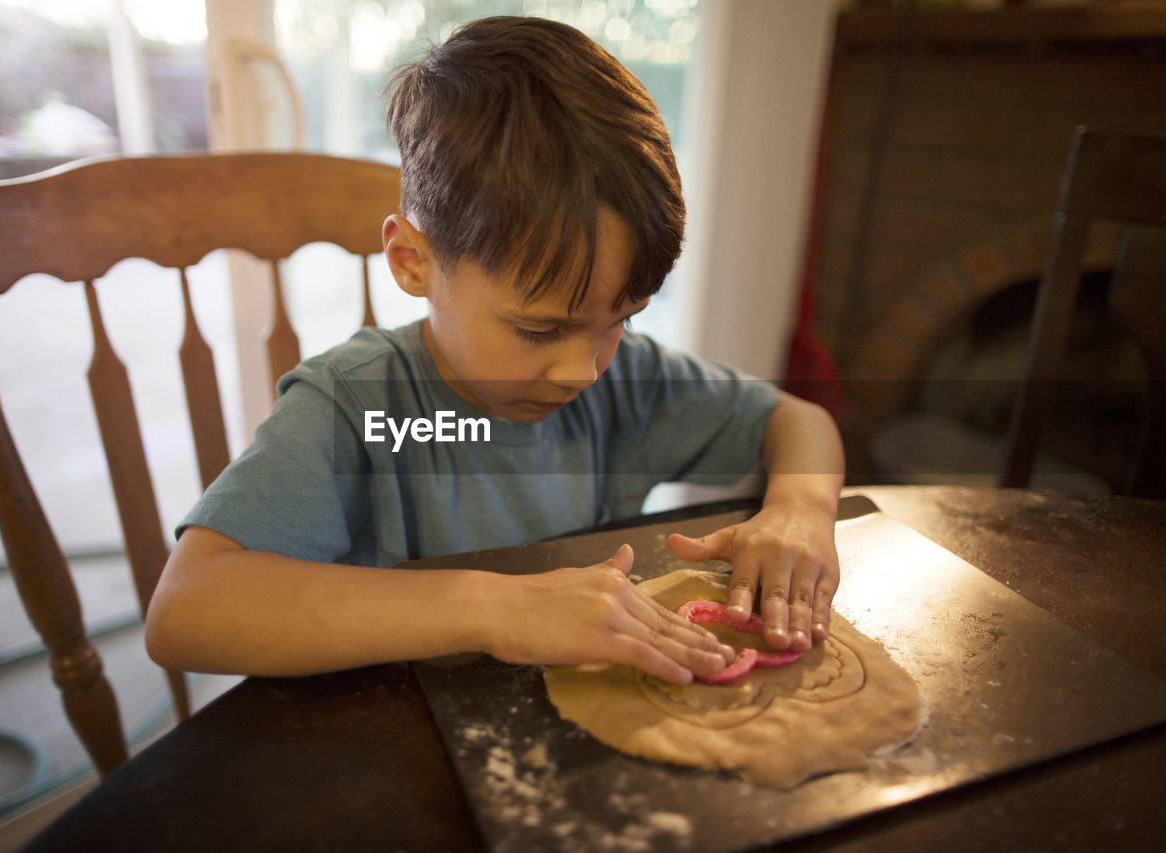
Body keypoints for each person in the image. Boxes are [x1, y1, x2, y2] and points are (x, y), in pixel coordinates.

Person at [145, 16, 844, 687]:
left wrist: (799, 514)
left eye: (619, 320)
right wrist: (497, 608)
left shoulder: (627, 381)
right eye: (539, 330)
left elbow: (797, 421)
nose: (583, 369)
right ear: (412, 261)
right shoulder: (359, 406)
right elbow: (186, 609)